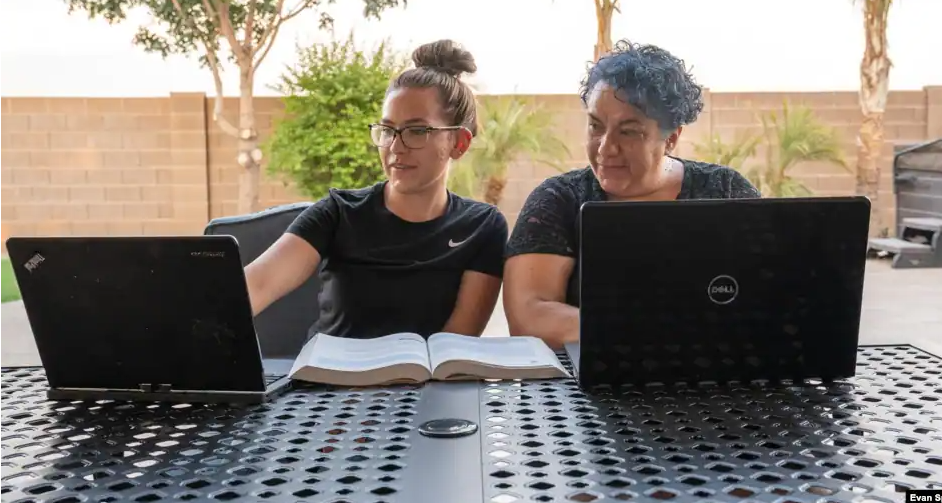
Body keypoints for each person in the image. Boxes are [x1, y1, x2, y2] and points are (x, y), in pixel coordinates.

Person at [503, 40, 760, 349]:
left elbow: (768, 299)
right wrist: (661, 332)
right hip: (581, 390)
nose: (605, 148)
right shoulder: (559, 201)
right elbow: (529, 318)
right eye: (595, 126)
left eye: (629, 131)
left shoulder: (725, 192)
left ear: (671, 138)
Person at [244, 39, 508, 340]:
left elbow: (456, 342)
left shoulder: (483, 227)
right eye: (387, 130)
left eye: (417, 130)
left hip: (429, 383)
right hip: (328, 381)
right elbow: (256, 285)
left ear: (458, 143)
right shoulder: (338, 214)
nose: (396, 147)